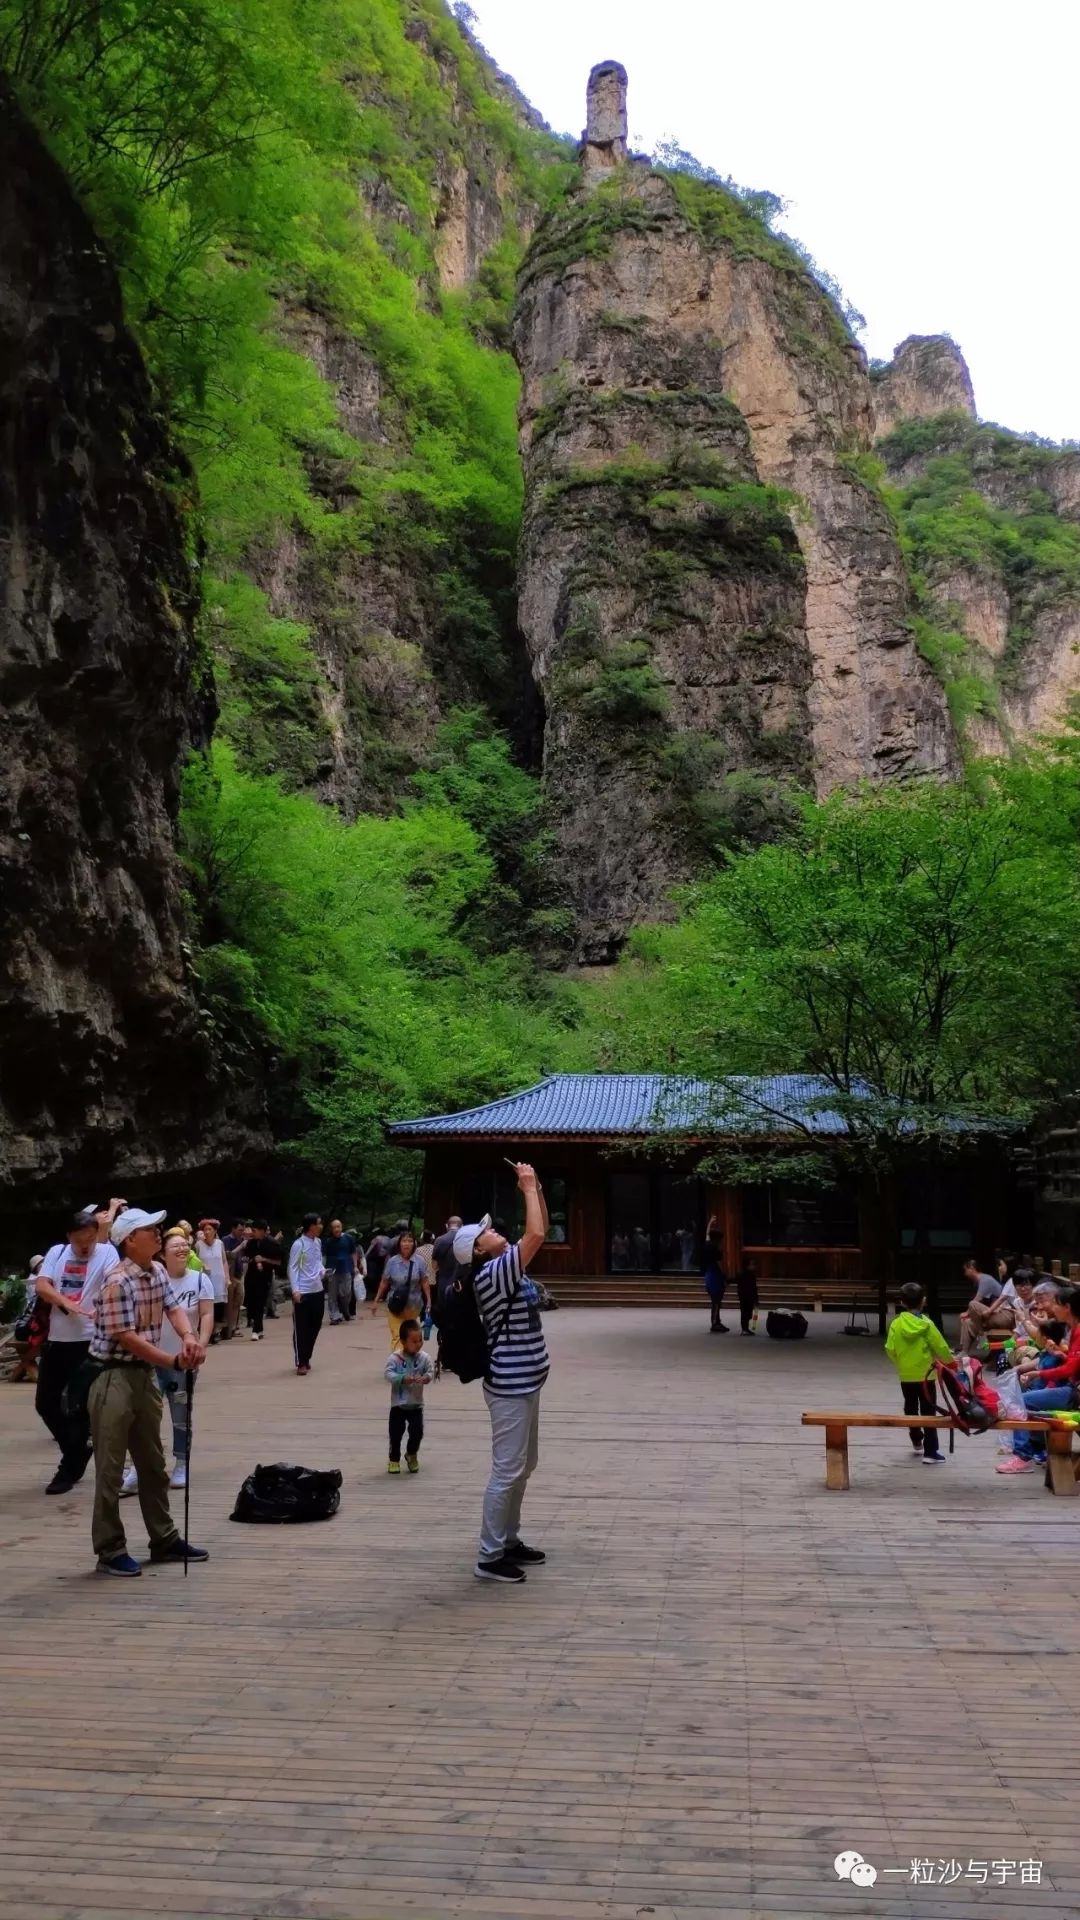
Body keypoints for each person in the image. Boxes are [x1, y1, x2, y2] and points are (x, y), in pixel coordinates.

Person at [87, 1206, 208, 1576]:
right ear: (129, 1240)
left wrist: (189, 1337)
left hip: (143, 1376)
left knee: (152, 1463)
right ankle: (110, 1548)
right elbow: (126, 1338)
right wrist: (172, 1361)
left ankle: (164, 1538)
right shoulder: (117, 1281)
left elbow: (174, 1308)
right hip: (113, 1375)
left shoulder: (155, 1271)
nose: (157, 1233)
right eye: (149, 1229)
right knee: (110, 1468)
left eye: (157, 1228)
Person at [455, 1164, 549, 1586]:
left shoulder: (504, 1266)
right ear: (478, 1250)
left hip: (526, 1381)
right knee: (507, 1469)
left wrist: (536, 1188)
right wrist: (526, 1187)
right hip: (510, 1386)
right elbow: (537, 1235)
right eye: (486, 1232)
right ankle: (489, 1555)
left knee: (523, 1466)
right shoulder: (493, 1273)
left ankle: (508, 1540)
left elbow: (537, 1230)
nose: (494, 1231)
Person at [121, 1229, 215, 1497]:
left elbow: (206, 1314)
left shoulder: (200, 1280)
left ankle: (182, 1463)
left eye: (185, 1245)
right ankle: (138, 1468)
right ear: (163, 1254)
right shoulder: (151, 1279)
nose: (182, 1249)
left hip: (182, 1361)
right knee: (143, 1417)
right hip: (149, 1358)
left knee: (180, 1414)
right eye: (175, 1246)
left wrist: (200, 1344)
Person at [34, 1205, 119, 1493]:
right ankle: (77, 1451)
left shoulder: (107, 1253)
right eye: (80, 1240)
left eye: (90, 1240)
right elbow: (42, 1286)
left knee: (78, 1408)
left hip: (90, 1339)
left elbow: (113, 1284)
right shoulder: (56, 1252)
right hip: (58, 1338)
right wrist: (66, 1302)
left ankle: (67, 1470)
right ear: (69, 1236)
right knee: (46, 1404)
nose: (86, 1246)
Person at [997, 1287, 1080, 1475]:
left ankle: (1022, 1457)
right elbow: (1074, 1363)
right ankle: (1035, 1449)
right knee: (1025, 1402)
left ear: (1067, 1307)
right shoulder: (1073, 1329)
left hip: (1074, 1392)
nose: (1052, 1307)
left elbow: (1070, 1370)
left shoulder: (1078, 1330)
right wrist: (1062, 1355)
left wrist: (1038, 1374)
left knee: (1018, 1402)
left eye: (1056, 1304)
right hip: (1071, 1388)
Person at [884, 1280, 953, 1463]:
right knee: (928, 1411)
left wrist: (900, 1363)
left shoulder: (896, 1324)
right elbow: (941, 1346)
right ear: (923, 1300)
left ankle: (916, 1438)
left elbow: (890, 1348)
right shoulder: (927, 1324)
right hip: (926, 1375)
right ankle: (931, 1452)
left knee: (910, 1407)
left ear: (901, 1302)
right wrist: (950, 1362)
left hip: (906, 1375)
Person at [384, 1318, 435, 1474]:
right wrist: (401, 1378)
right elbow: (388, 1374)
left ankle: (411, 1454)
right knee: (395, 1433)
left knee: (417, 1432)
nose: (418, 1344)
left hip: (416, 1404)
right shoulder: (395, 1358)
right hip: (398, 1404)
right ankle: (394, 1459)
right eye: (414, 1341)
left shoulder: (424, 1358)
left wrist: (426, 1378)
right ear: (403, 1342)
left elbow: (430, 1371)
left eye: (420, 1340)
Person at [371, 1229, 430, 1351]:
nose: (407, 1244)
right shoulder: (392, 1262)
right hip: (395, 1306)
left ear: (414, 1243)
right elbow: (384, 1282)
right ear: (399, 1244)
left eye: (410, 1241)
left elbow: (424, 1281)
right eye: (404, 1241)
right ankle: (398, 1361)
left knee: (410, 1338)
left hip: (413, 1306)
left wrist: (429, 1300)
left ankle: (409, 1359)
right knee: (397, 1336)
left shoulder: (420, 1261)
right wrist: (376, 1300)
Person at [288, 1213, 326, 1375]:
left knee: (315, 1325)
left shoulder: (318, 1242)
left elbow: (317, 1261)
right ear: (311, 1226)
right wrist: (295, 1289)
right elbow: (293, 1267)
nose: (321, 1226)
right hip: (303, 1291)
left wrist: (322, 1271)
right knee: (301, 1327)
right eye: (319, 1223)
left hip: (317, 1289)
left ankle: (307, 1356)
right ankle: (301, 1361)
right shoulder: (299, 1244)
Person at [958, 1257, 1012, 1355]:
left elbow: (977, 1300)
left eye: (965, 1270)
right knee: (967, 1322)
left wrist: (967, 1313)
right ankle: (964, 1352)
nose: (965, 1274)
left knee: (972, 1304)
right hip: (993, 1313)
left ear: (971, 1268)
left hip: (1003, 1313)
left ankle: (981, 1335)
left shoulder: (985, 1279)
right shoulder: (978, 1282)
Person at [242, 1220, 284, 1339]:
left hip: (264, 1277)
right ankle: (259, 1328)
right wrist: (250, 1259)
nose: (253, 1233)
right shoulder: (251, 1243)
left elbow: (278, 1262)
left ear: (262, 1231)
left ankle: (255, 1330)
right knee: (251, 1302)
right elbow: (246, 1257)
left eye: (255, 1230)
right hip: (251, 1276)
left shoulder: (272, 1243)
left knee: (260, 1303)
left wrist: (264, 1259)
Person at [322, 1218, 358, 1326]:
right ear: (331, 1229)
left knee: (346, 1293)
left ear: (341, 1227)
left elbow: (353, 1252)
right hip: (332, 1270)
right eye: (334, 1227)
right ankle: (335, 1316)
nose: (336, 1229)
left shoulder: (348, 1238)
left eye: (338, 1227)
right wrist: (322, 1270)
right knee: (332, 1295)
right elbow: (324, 1256)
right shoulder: (328, 1241)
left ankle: (344, 1310)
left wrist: (355, 1266)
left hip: (346, 1269)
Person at [703, 1215, 727, 1333]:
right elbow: (720, 1264)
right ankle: (715, 1324)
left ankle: (717, 1321)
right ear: (718, 1240)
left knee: (715, 1301)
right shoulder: (716, 1250)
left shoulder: (707, 1245)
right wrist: (725, 1276)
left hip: (708, 1275)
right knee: (717, 1301)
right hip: (715, 1276)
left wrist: (710, 1222)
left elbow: (707, 1234)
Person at [737, 1260, 759, 1335]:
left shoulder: (751, 1275)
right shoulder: (743, 1274)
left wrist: (756, 1298)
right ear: (747, 1266)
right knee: (745, 1313)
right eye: (752, 1265)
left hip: (749, 1297)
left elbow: (754, 1288)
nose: (754, 1266)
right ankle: (744, 1329)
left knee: (748, 1313)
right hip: (745, 1297)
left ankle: (746, 1329)